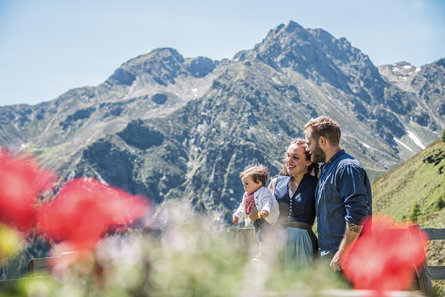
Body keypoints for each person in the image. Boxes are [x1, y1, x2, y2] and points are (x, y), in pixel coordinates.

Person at [303, 116, 372, 272]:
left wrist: (342, 253)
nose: (307, 148)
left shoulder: (347, 168)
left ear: (322, 141)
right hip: (330, 259)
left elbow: (358, 213)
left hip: (348, 261)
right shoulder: (326, 169)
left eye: (309, 143)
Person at [267, 138, 319, 270]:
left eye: (295, 157)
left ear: (308, 161)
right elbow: (265, 214)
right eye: (288, 155)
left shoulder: (317, 184)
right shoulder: (275, 183)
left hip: (303, 242)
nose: (288, 160)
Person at [233, 165, 279, 243]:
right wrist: (237, 215)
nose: (244, 187)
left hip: (269, 221)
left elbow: (267, 201)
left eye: (247, 184)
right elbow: (242, 206)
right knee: (260, 235)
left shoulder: (264, 192)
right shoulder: (247, 195)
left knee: (266, 236)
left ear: (258, 182)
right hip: (258, 220)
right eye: (243, 184)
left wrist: (265, 209)